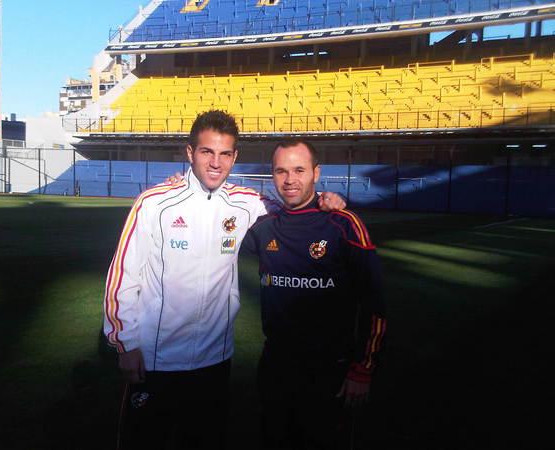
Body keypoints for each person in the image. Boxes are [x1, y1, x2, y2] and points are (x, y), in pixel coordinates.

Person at [102, 111, 345, 450]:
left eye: (225, 153)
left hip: (214, 361)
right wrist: (125, 344)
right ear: (190, 153)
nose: (216, 162)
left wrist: (324, 201)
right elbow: (123, 276)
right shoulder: (154, 204)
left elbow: (293, 205)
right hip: (156, 360)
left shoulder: (248, 203)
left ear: (235, 157)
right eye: (206, 152)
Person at [241, 139, 387, 450]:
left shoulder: (344, 225)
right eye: (281, 171)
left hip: (329, 370)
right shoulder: (263, 227)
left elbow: (375, 302)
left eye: (299, 170)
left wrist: (363, 369)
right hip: (276, 367)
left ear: (316, 173)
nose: (290, 180)